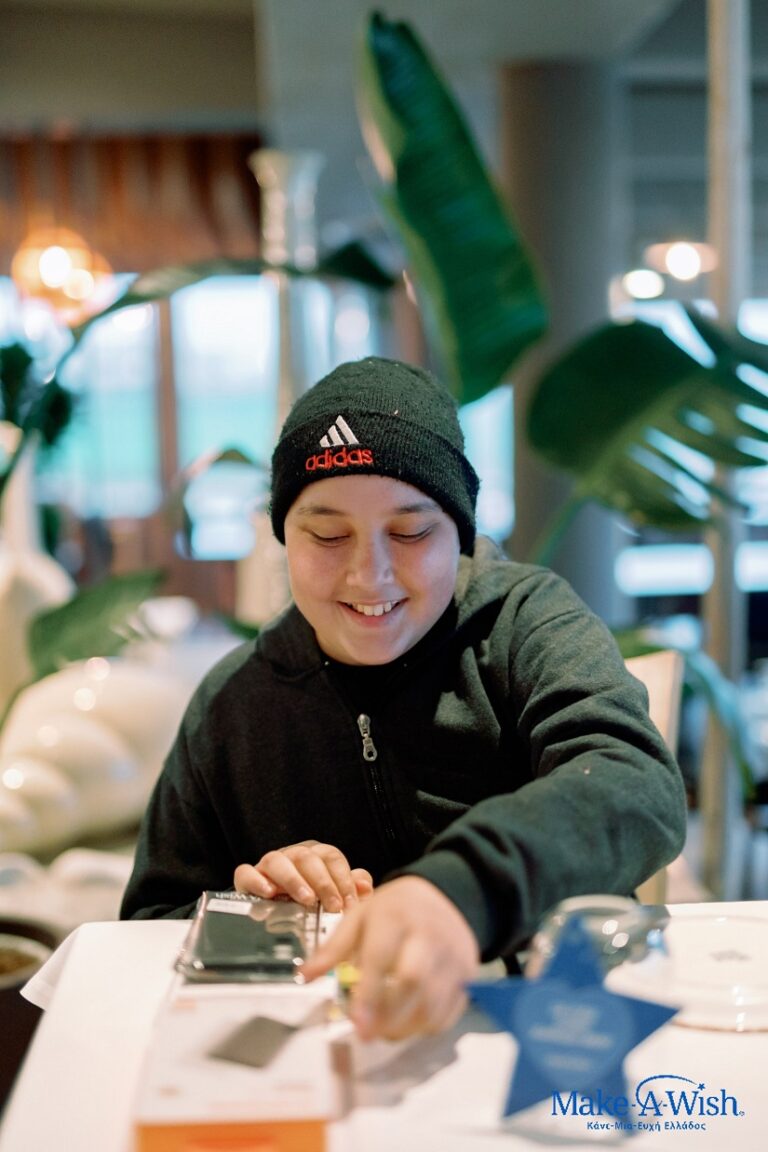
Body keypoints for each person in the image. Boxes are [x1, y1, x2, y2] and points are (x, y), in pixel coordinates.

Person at [121, 356, 686, 1041]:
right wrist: (255, 910)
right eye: (328, 535)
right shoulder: (233, 703)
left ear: (460, 535)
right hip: (339, 1051)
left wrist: (459, 890)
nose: (370, 575)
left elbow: (635, 782)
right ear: (283, 539)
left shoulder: (526, 623)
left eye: (412, 533)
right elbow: (147, 926)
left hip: (547, 1035)